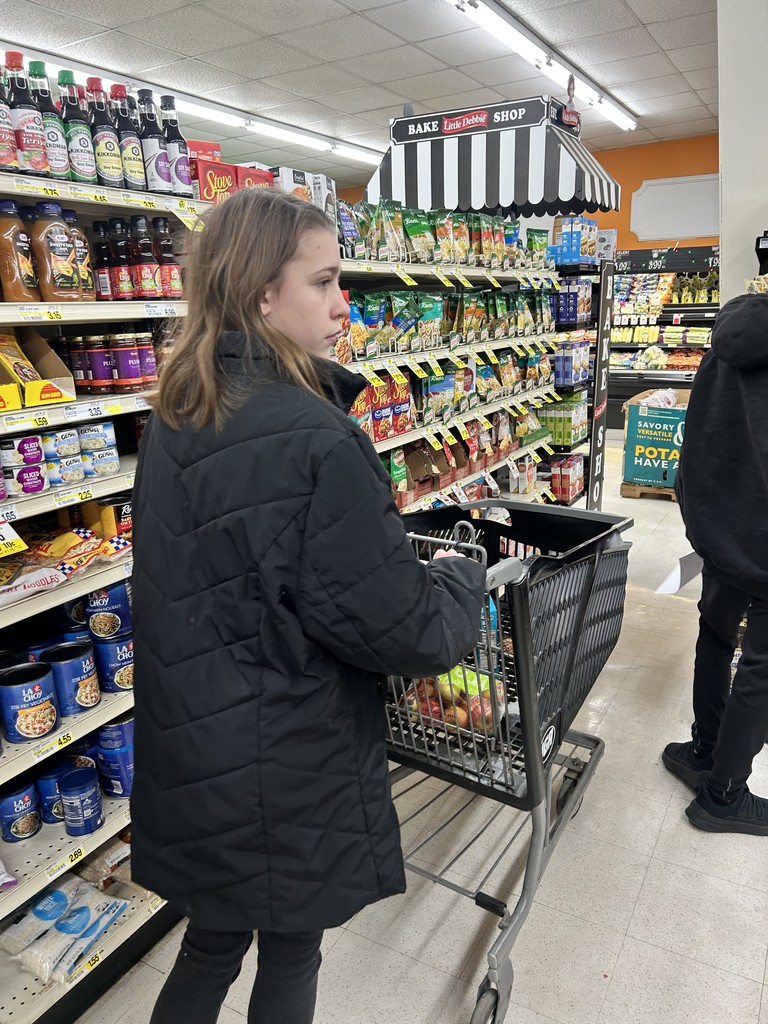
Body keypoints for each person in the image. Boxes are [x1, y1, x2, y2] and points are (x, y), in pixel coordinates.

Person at [129, 187, 487, 1024]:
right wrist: (459, 579)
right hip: (288, 752)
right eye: (324, 282)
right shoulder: (320, 438)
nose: (342, 303)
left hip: (194, 748)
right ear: (262, 291)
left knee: (210, 945)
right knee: (293, 948)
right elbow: (404, 628)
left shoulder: (177, 413)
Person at [663, 292, 768, 836]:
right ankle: (723, 796)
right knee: (761, 667)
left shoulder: (732, 329)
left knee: (716, 635)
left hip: (721, 523)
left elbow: (699, 427)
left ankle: (703, 750)